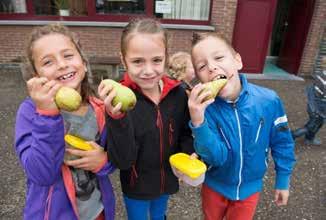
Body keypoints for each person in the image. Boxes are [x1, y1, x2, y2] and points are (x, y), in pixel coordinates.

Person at [187, 32, 296, 220]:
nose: (212, 67)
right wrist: (198, 121)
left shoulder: (269, 100)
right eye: (202, 66)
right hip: (214, 186)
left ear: (237, 61)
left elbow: (283, 142)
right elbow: (216, 157)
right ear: (200, 78)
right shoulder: (206, 109)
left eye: (219, 57)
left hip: (250, 189)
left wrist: (283, 180)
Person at [15, 24, 115, 220]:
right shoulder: (30, 113)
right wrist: (47, 114)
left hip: (97, 212)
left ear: (84, 63)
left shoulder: (100, 108)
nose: (61, 65)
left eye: (68, 56)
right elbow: (41, 174)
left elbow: (118, 155)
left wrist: (105, 161)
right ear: (37, 76)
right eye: (48, 62)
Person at [98, 18, 194, 220]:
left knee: (159, 215)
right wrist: (117, 118)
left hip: (167, 180)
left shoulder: (178, 94)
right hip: (136, 186)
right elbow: (122, 160)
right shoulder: (118, 102)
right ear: (124, 60)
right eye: (138, 61)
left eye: (157, 60)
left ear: (166, 58)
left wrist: (190, 153)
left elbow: (185, 132)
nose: (149, 70)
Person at [291, 33, 325, 145]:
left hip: (313, 104)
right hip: (318, 107)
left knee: (317, 123)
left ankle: (309, 139)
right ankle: (292, 135)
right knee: (312, 125)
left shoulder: (320, 74)